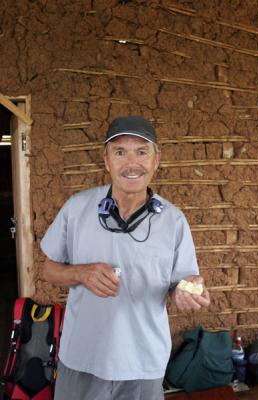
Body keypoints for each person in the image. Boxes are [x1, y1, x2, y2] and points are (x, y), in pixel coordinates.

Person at [41, 115, 210, 400]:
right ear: (106, 160)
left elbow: (181, 283)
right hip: (83, 358)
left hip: (143, 363)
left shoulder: (174, 221)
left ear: (157, 159)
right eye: (120, 152)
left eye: (141, 152)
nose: (132, 163)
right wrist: (82, 273)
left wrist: (186, 291)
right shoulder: (77, 209)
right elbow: (49, 270)